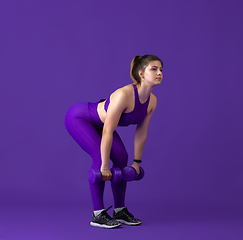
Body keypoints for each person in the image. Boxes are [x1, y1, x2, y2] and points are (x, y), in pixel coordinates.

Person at [65, 55, 163, 228]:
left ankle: (120, 211)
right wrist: (104, 166)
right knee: (99, 155)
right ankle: (98, 214)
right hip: (80, 118)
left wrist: (136, 163)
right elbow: (107, 131)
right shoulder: (124, 95)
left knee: (121, 157)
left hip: (101, 125)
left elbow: (141, 131)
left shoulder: (152, 101)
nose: (159, 73)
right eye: (153, 69)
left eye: (161, 69)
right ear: (141, 73)